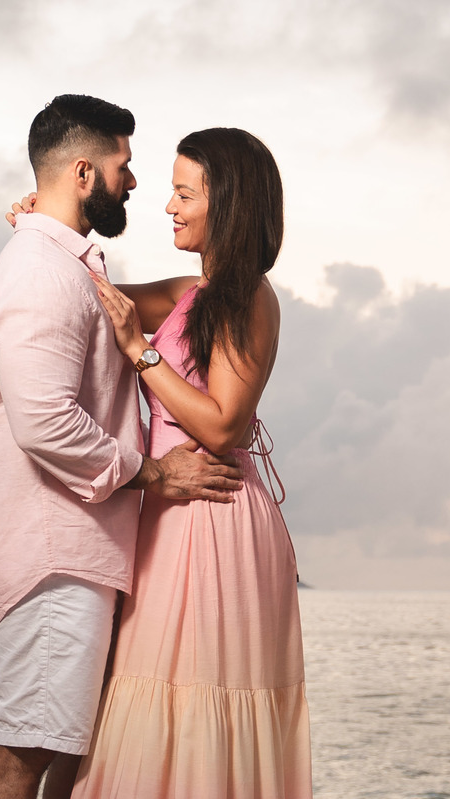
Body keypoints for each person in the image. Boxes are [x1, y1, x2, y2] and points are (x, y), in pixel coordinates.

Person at [0, 96, 243, 799]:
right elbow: (44, 420)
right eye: (124, 166)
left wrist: (36, 216)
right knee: (27, 748)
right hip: (57, 545)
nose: (136, 184)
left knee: (62, 749)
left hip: (80, 543)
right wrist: (153, 472)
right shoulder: (42, 271)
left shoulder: (65, 263)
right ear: (85, 172)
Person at [70, 128, 312, 797]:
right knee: (152, 699)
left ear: (226, 204)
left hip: (214, 515)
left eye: (184, 193)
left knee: (199, 701)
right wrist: (47, 222)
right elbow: (97, 296)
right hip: (170, 513)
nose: (169, 206)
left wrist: (140, 353)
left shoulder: (248, 297)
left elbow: (224, 422)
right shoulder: (189, 292)